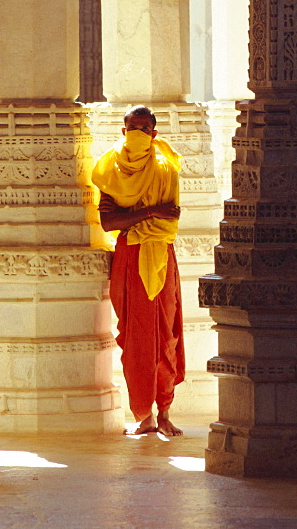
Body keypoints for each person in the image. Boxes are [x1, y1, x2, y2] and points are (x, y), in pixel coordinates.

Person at [92, 105, 185, 436]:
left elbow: (170, 219)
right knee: (134, 337)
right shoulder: (110, 170)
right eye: (132, 127)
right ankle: (142, 415)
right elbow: (108, 222)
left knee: (165, 336)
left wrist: (139, 215)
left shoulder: (165, 168)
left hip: (159, 256)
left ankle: (165, 412)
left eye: (144, 129)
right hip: (129, 258)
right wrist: (152, 211)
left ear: (154, 134)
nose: (137, 134)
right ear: (123, 131)